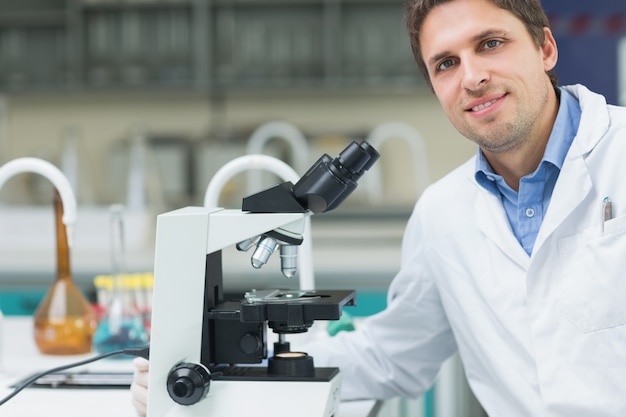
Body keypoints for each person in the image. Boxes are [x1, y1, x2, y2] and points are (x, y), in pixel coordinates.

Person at [131, 0, 626, 415]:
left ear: (545, 48)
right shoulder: (442, 214)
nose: (472, 77)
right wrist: (226, 365)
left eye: (490, 44)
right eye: (445, 63)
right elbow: (392, 353)